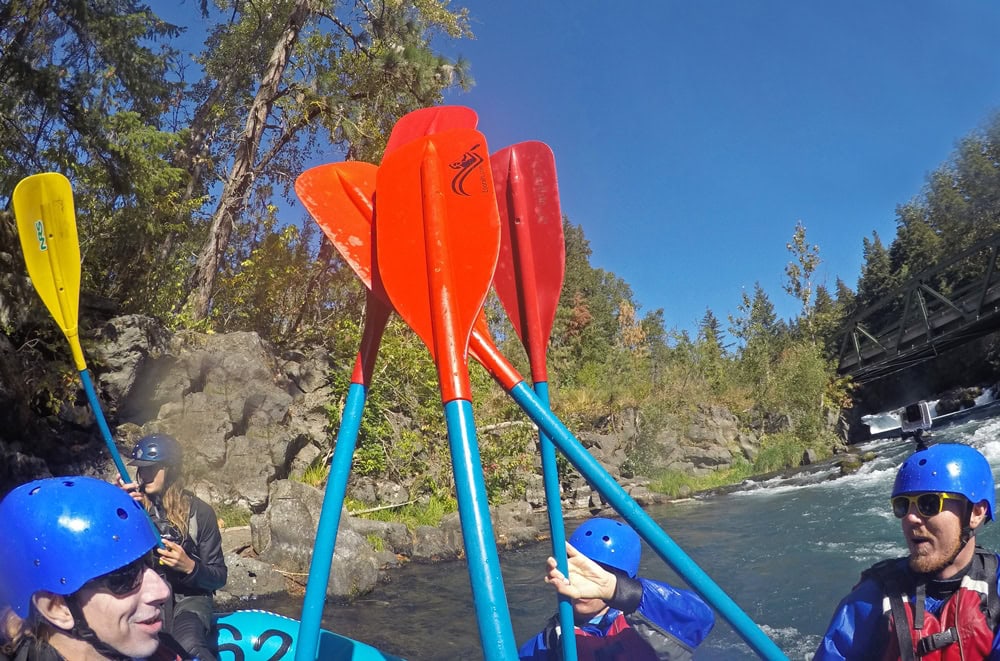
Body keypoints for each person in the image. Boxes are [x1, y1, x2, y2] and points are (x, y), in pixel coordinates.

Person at [816, 443, 1000, 659]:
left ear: (976, 512)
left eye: (929, 503)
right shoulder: (870, 601)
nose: (910, 518)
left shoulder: (995, 590)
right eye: (902, 505)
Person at [0, 476, 193, 660]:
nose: (163, 591)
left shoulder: (165, 650)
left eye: (148, 561)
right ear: (57, 608)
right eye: (124, 578)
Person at [518, 517, 715, 660]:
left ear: (624, 579)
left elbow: (702, 618)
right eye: (578, 572)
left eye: (602, 573)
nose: (585, 587)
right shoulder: (547, 644)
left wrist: (617, 589)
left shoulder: (649, 623)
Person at [120, 434, 227, 661]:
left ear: (171, 469)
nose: (144, 475)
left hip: (189, 600)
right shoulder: (132, 507)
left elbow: (218, 577)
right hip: (145, 597)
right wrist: (118, 509)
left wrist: (190, 567)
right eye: (141, 468)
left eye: (152, 468)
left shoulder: (201, 513)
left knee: (187, 644)